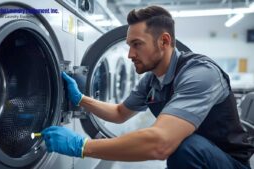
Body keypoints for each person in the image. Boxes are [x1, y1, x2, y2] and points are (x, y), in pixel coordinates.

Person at [41, 5, 254, 169]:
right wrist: (80, 100)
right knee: (184, 146)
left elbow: (160, 143)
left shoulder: (200, 74)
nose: (130, 54)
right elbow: (119, 113)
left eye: (137, 44)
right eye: (129, 45)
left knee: (185, 147)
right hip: (200, 159)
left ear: (164, 41)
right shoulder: (152, 80)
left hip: (228, 162)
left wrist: (82, 147)